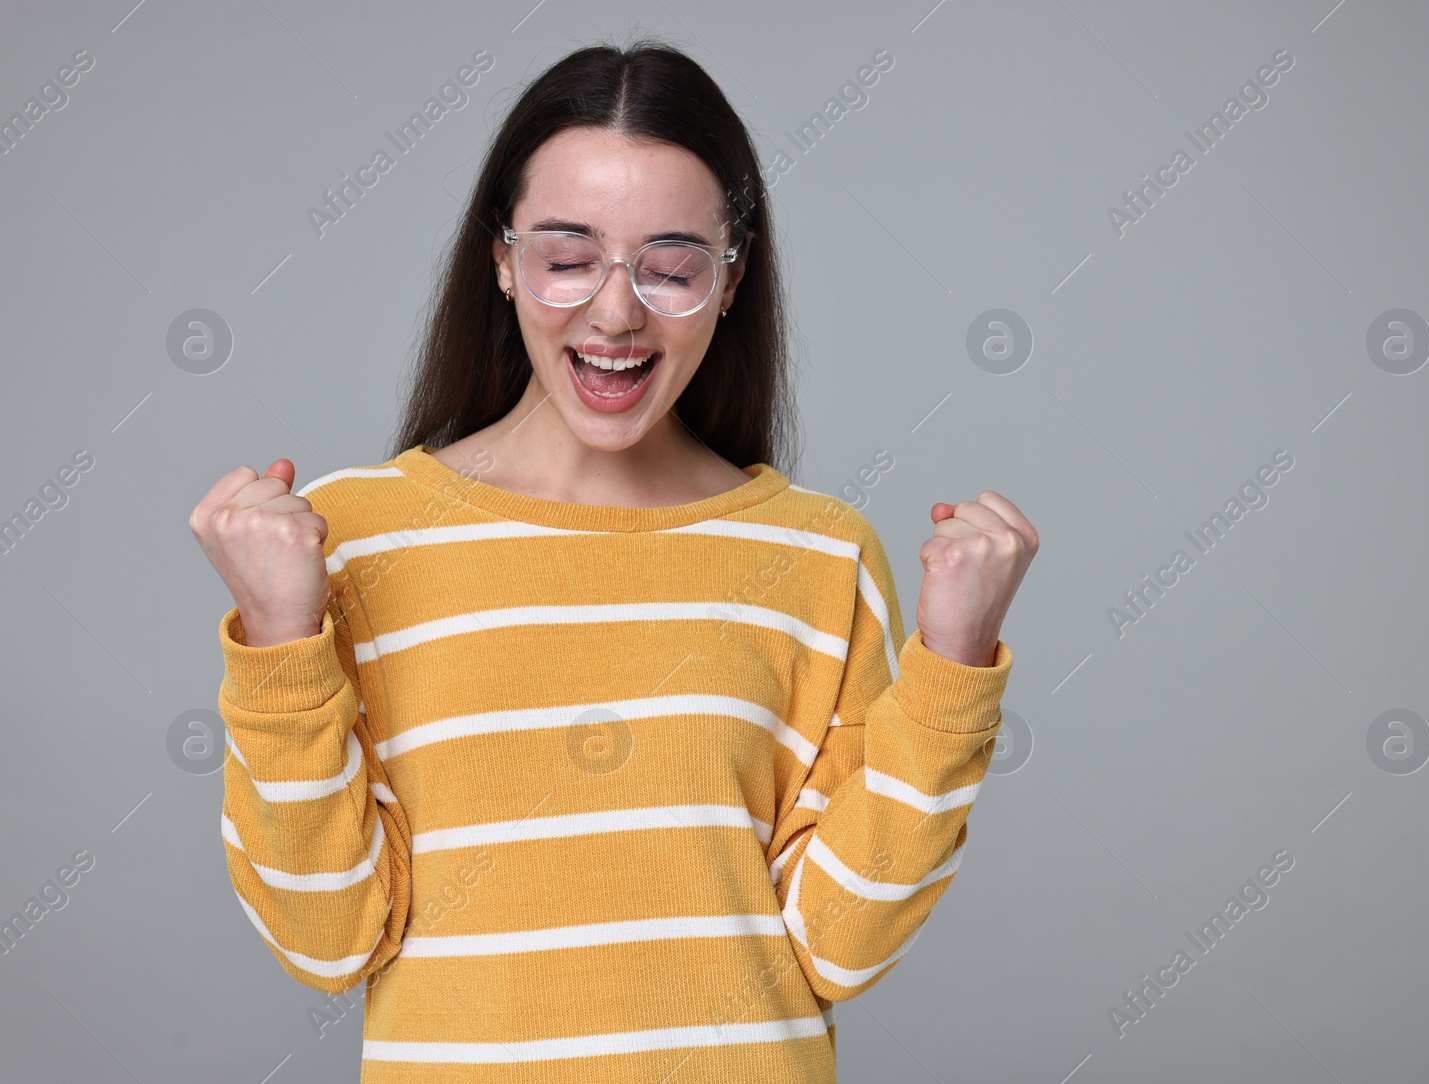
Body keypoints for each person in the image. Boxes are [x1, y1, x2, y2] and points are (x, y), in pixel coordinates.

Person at [189, 36, 1038, 1083]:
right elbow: (329, 941)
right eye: (566, 255)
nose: (615, 310)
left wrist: (952, 665)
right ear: (500, 259)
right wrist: (281, 645)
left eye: (670, 265)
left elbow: (838, 943)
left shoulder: (817, 556)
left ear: (730, 281)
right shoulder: (351, 541)